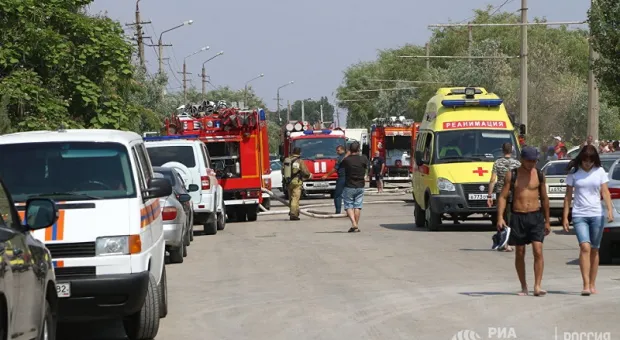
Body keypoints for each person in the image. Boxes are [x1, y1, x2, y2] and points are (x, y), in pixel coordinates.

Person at [497, 146, 551, 296]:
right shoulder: (512, 175)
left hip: (535, 216)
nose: (531, 164)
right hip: (518, 216)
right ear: (522, 160)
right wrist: (500, 217)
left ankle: (537, 286)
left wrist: (547, 220)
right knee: (520, 252)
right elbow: (502, 196)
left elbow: (545, 198)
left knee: (538, 250)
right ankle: (524, 286)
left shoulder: (539, 175)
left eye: (534, 161)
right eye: (529, 161)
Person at [562, 145, 614, 295]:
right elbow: (567, 197)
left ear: (594, 160)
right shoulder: (574, 174)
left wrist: (609, 210)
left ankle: (592, 283)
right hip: (579, 215)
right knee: (585, 247)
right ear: (581, 159)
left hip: (597, 215)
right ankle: (585, 285)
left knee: (594, 249)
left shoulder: (600, 172)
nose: (588, 164)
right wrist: (565, 216)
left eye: (591, 161)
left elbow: (605, 192)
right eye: (585, 161)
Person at [487, 142, 521, 252]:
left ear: (502, 150)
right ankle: (505, 243)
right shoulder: (516, 163)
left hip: (500, 193)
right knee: (509, 217)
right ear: (511, 150)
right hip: (512, 193)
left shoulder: (497, 163)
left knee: (501, 216)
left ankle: (502, 240)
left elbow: (492, 180)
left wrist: (489, 195)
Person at [339, 142, 369, 232]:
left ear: (349, 150)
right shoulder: (363, 158)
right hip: (360, 185)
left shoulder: (347, 160)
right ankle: (356, 226)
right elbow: (366, 167)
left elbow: (340, 163)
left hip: (349, 185)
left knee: (348, 205)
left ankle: (354, 224)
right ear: (358, 149)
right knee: (357, 206)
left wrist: (347, 154)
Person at [283, 147, 311, 221]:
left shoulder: (287, 160)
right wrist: (309, 175)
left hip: (288, 182)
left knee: (291, 198)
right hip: (297, 182)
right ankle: (293, 214)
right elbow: (305, 171)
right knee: (295, 198)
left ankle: (294, 213)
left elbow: (283, 170)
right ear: (300, 153)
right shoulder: (299, 161)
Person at [322, 145, 347, 214]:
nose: (337, 152)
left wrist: (326, 175)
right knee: (348, 195)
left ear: (342, 150)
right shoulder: (348, 157)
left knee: (337, 195)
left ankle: (338, 211)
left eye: (338, 150)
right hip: (349, 177)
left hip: (342, 177)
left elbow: (335, 169)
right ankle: (349, 211)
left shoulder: (339, 158)